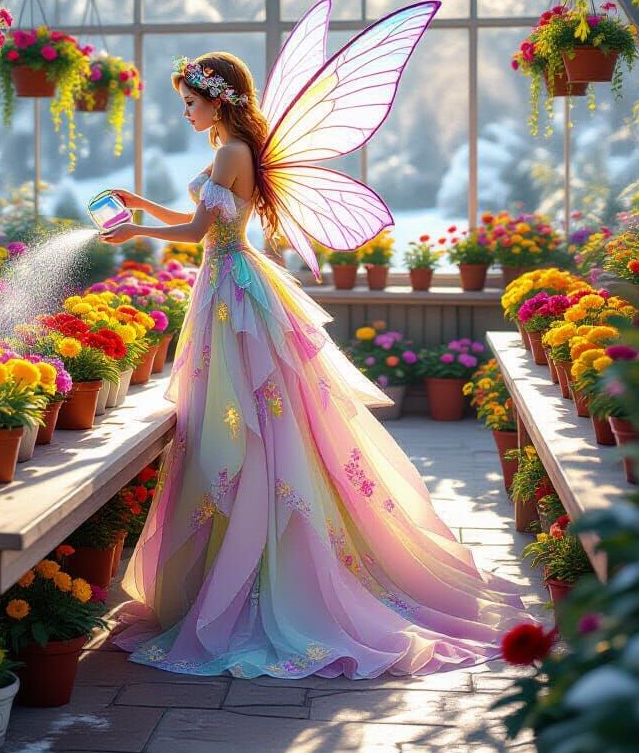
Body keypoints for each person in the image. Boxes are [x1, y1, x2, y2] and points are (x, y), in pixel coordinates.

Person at [98, 50, 525, 680]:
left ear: (217, 99)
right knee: (246, 412)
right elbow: (201, 222)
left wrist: (136, 232)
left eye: (190, 101)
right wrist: (141, 206)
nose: (185, 112)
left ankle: (270, 565)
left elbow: (198, 234)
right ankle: (245, 555)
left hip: (231, 287)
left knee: (250, 416)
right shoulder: (232, 148)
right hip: (228, 284)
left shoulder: (231, 151)